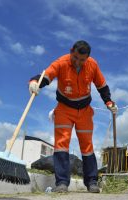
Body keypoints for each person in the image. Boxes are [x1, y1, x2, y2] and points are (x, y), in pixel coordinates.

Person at [28, 40, 118, 193]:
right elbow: (47, 75)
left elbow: (102, 86)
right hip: (64, 109)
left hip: (84, 111)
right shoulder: (61, 62)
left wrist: (109, 102)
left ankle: (92, 182)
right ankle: (62, 183)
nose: (77, 62)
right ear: (71, 51)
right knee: (61, 144)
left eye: (82, 60)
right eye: (75, 57)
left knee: (87, 147)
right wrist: (35, 82)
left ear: (87, 58)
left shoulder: (92, 65)